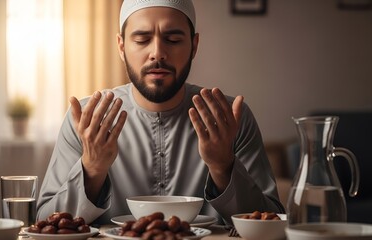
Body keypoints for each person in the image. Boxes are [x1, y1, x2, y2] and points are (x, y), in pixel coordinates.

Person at [37, 0, 284, 225]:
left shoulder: (230, 119)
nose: (157, 53)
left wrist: (223, 167)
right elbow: (44, 222)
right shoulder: (86, 120)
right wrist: (91, 170)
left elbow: (271, 220)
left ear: (194, 46)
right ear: (121, 47)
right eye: (142, 39)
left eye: (173, 40)